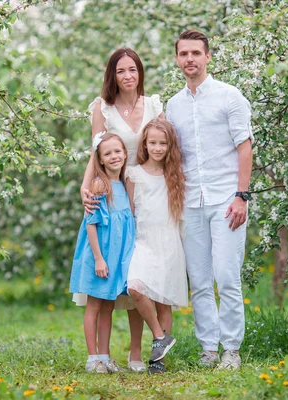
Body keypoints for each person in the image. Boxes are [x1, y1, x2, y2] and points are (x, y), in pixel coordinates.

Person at [166, 30, 253, 370]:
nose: (190, 59)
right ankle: (209, 350)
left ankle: (231, 349)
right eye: (183, 53)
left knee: (227, 276)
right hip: (190, 203)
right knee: (200, 281)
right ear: (177, 59)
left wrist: (241, 196)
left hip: (226, 200)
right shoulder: (173, 105)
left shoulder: (230, 96)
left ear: (208, 57)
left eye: (196, 53)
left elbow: (244, 147)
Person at [79, 48, 165, 372]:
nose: (127, 76)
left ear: (140, 72)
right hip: (111, 191)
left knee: (137, 275)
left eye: (132, 69)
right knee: (117, 274)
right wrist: (84, 189)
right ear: (112, 76)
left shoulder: (154, 105)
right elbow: (95, 153)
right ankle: (99, 355)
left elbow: (165, 146)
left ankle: (137, 354)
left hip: (145, 192)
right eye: (120, 71)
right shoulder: (103, 107)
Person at [125, 119, 188, 374]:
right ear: (145, 144)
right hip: (143, 241)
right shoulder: (134, 174)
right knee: (136, 287)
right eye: (153, 142)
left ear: (170, 146)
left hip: (170, 242)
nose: (158, 148)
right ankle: (160, 335)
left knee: (163, 301)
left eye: (163, 143)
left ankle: (158, 361)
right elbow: (130, 212)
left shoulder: (175, 175)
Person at [70, 133, 135, 373]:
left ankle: (105, 357)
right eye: (107, 153)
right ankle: (92, 358)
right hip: (100, 255)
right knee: (94, 306)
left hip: (115, 256)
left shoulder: (124, 184)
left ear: (125, 153)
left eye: (117, 151)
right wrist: (98, 258)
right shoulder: (100, 185)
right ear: (100, 159)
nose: (114, 156)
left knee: (108, 306)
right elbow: (91, 223)